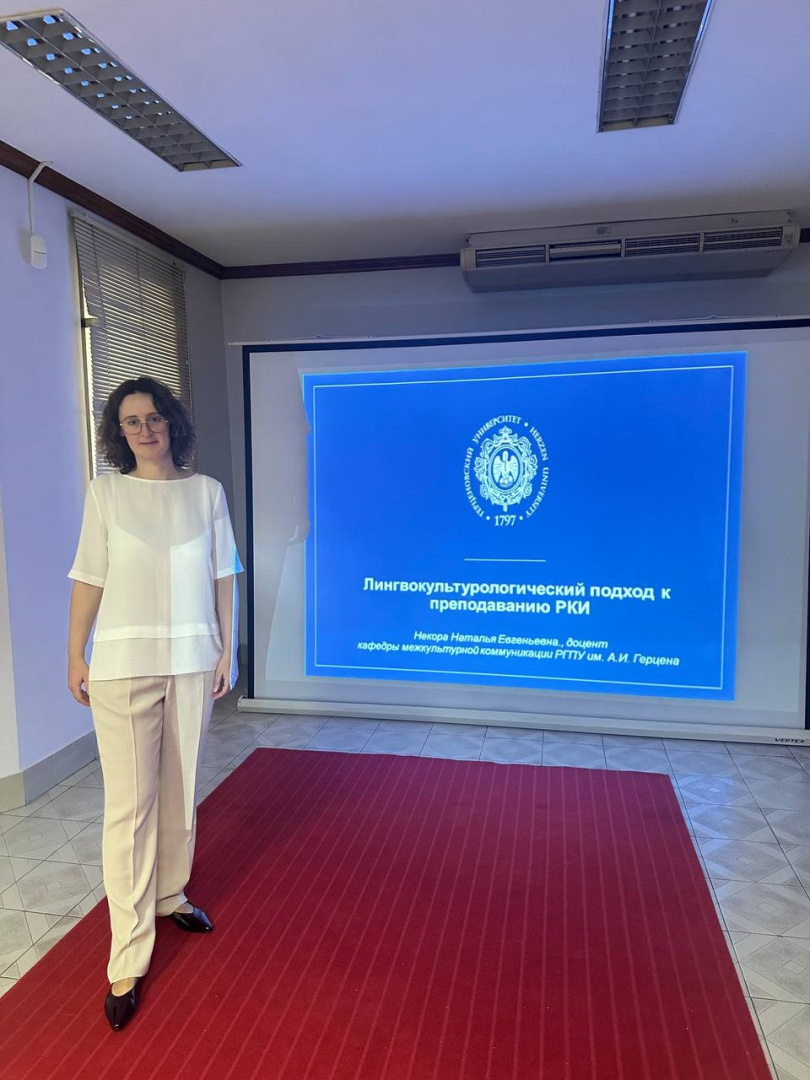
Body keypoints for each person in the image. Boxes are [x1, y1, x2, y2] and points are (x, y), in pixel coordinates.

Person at [67, 376, 243, 1032]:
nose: (145, 429)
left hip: (194, 659)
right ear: (120, 433)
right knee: (130, 808)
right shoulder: (106, 493)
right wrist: (75, 653)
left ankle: (171, 892)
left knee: (180, 787)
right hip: (121, 665)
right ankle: (128, 953)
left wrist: (228, 650)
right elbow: (90, 576)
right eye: (131, 421)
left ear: (172, 421)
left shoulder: (206, 493)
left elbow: (224, 575)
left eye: (153, 417)